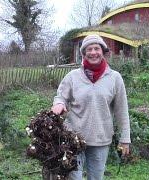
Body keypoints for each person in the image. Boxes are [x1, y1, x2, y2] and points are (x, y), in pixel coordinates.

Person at [51, 34, 131, 180]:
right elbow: (61, 96)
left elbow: (122, 110)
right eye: (89, 49)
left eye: (96, 48)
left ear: (103, 52)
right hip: (73, 138)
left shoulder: (114, 78)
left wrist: (125, 138)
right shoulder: (72, 77)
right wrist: (59, 103)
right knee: (73, 177)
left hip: (100, 139)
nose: (93, 52)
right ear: (84, 53)